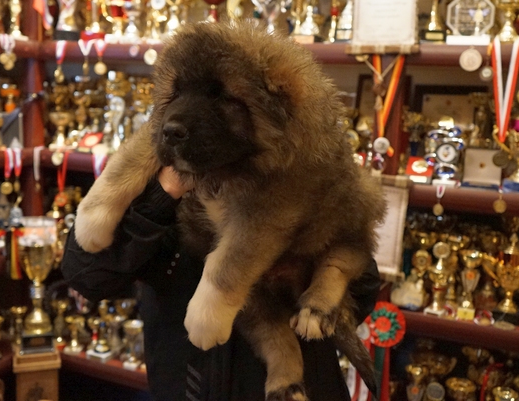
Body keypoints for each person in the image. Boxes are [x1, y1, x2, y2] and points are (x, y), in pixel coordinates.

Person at [62, 167, 382, 401]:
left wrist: (308, 270)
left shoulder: (304, 168)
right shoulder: (155, 177)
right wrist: (165, 190)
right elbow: (87, 276)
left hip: (303, 386)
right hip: (190, 386)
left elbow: (364, 286)